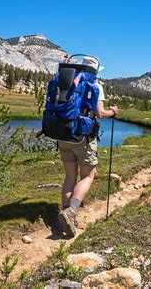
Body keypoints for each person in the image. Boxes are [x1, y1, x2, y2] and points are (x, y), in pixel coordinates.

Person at [58, 56, 119, 237]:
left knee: (70, 176)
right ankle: (71, 212)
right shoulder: (95, 85)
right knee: (88, 176)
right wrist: (113, 111)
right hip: (82, 137)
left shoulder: (66, 80)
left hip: (63, 134)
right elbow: (100, 113)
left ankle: (65, 213)